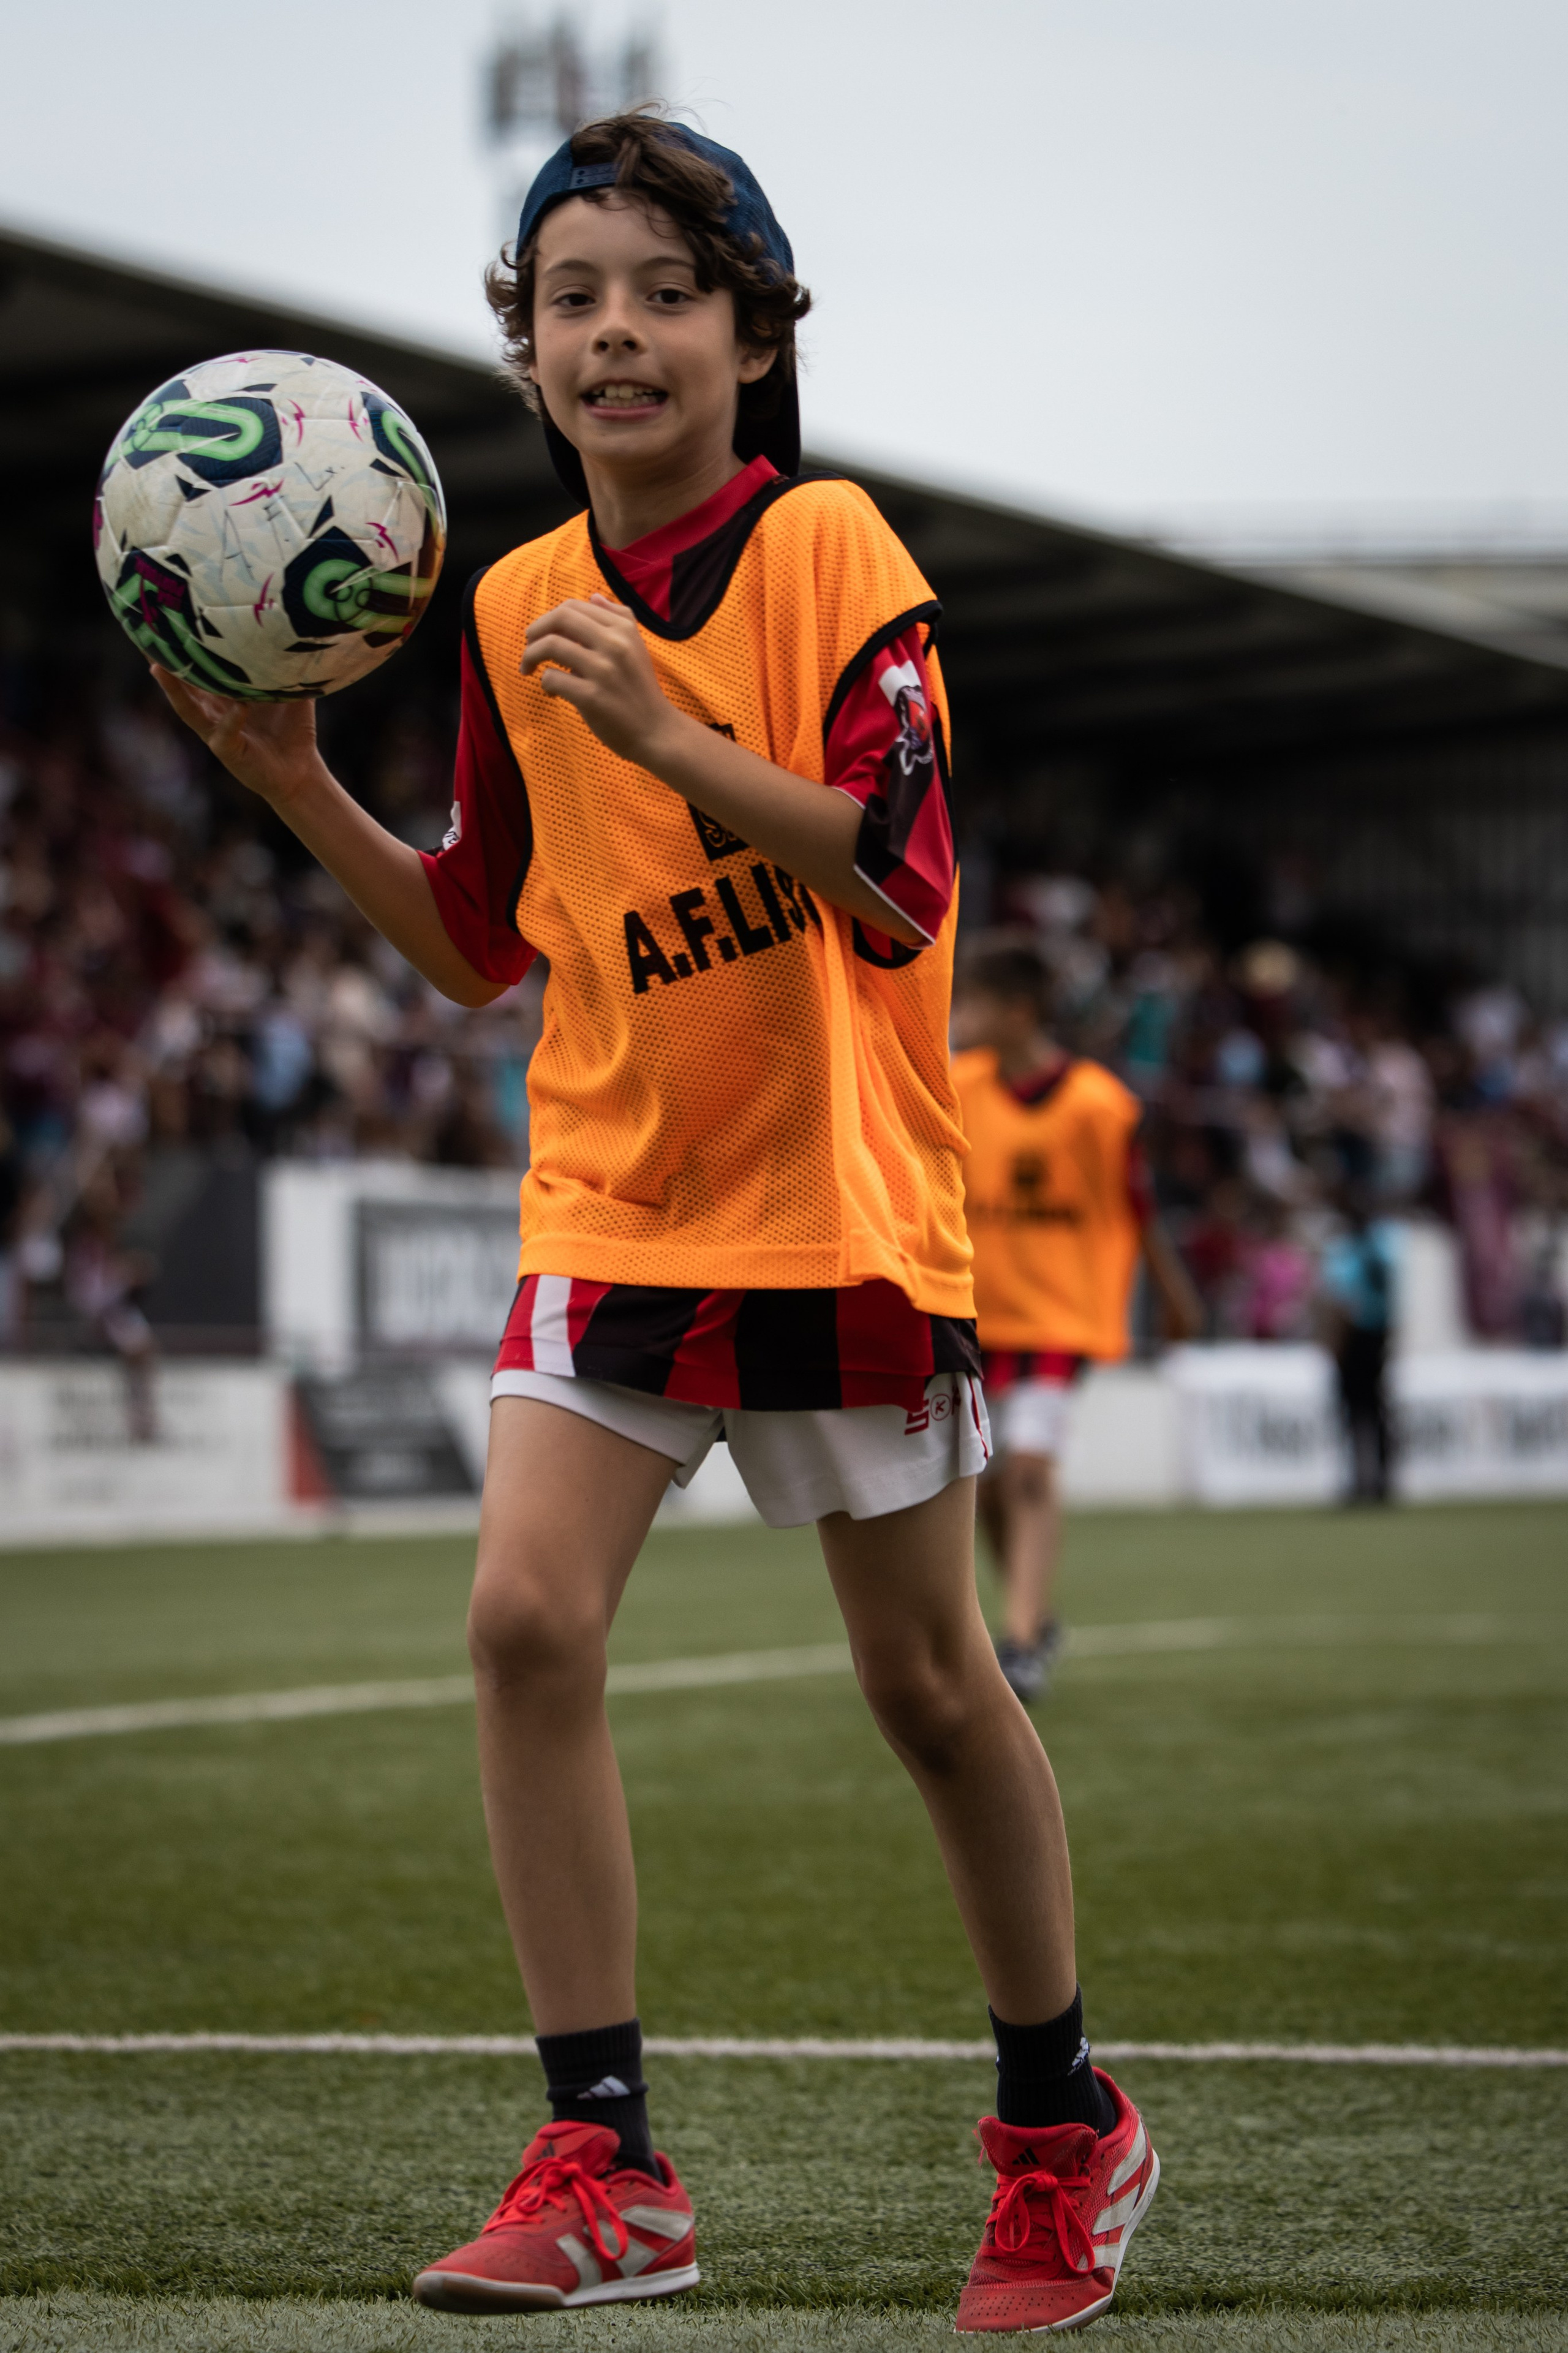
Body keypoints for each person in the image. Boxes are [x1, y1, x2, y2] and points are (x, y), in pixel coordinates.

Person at [151, 113, 1159, 2334]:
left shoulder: (831, 551)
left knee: (921, 1680)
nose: (613, 329)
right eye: (569, 294)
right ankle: (604, 2158)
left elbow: (895, 869)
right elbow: (469, 945)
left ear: (749, 336)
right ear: (519, 350)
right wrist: (297, 780)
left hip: (837, 1209)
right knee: (523, 1625)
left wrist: (677, 734)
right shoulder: (509, 605)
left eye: (660, 291)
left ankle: (1057, 2127)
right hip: (611, 1190)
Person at [952, 941, 1201, 1699]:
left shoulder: (1099, 1104)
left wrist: (1173, 1293)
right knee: (986, 1488)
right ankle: (1036, 1615)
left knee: (1027, 1471)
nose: (959, 1018)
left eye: (975, 1003)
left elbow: (1135, 1207)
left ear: (1018, 1011)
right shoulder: (959, 1087)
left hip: (1058, 1316)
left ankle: (1021, 1642)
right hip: (970, 1312)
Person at [1319, 1186, 1399, 1503]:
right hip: (1377, 1337)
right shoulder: (1385, 1246)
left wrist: (1334, 1345)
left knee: (1356, 1414)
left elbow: (1340, 1302)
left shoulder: (1346, 1251)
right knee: (1375, 1412)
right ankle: (1378, 1481)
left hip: (1355, 1339)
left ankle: (1360, 1481)